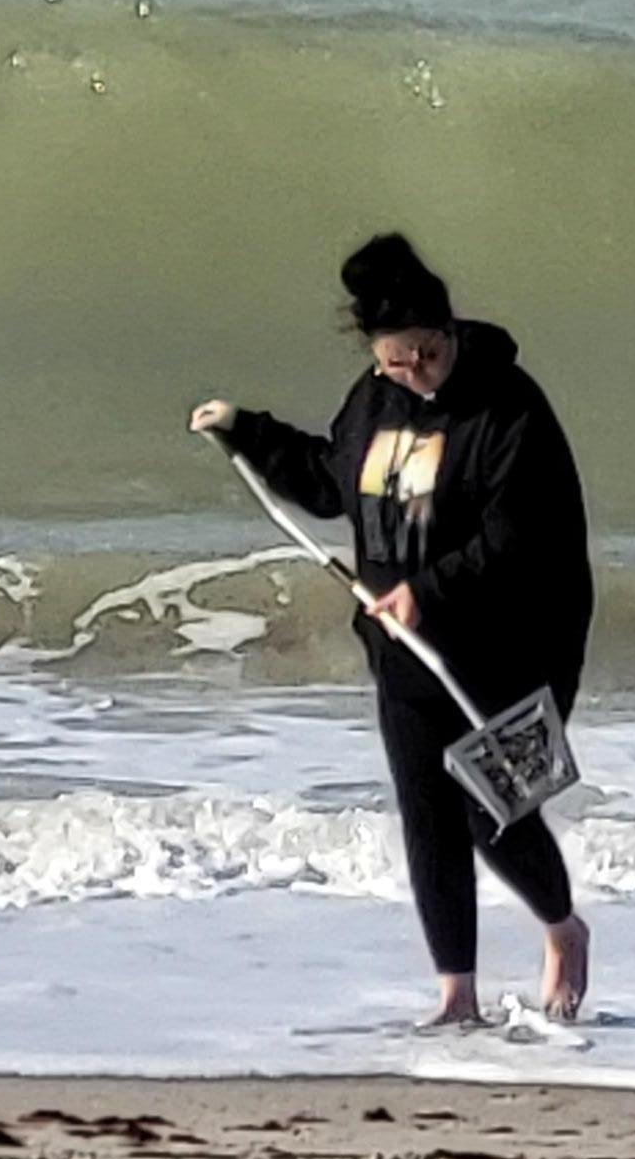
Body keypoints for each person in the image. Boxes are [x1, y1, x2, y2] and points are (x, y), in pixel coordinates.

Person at [193, 231, 593, 1028]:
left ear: (447, 332)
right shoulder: (373, 399)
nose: (412, 373)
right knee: (428, 815)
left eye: (424, 355)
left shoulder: (509, 407)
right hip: (402, 647)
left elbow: (519, 537)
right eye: (395, 360)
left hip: (512, 639)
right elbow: (326, 480)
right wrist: (244, 429)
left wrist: (427, 590)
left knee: (493, 810)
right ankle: (456, 996)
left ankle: (563, 928)